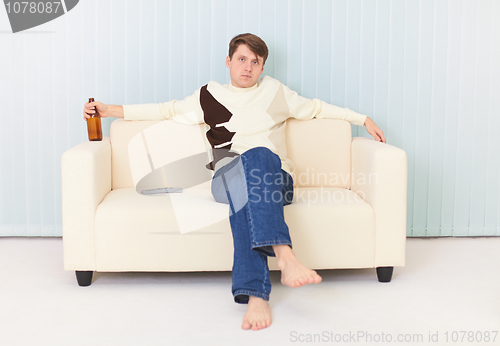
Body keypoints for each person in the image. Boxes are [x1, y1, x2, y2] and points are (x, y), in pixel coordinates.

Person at [83, 33, 386, 331]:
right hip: (226, 178)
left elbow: (317, 108)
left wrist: (363, 119)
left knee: (258, 158)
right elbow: (166, 109)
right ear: (228, 61)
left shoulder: (275, 91)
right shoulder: (209, 95)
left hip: (274, 178)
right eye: (241, 59)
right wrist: (109, 110)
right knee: (242, 169)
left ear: (263, 67)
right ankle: (284, 255)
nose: (248, 67)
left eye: (256, 62)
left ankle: (255, 294)